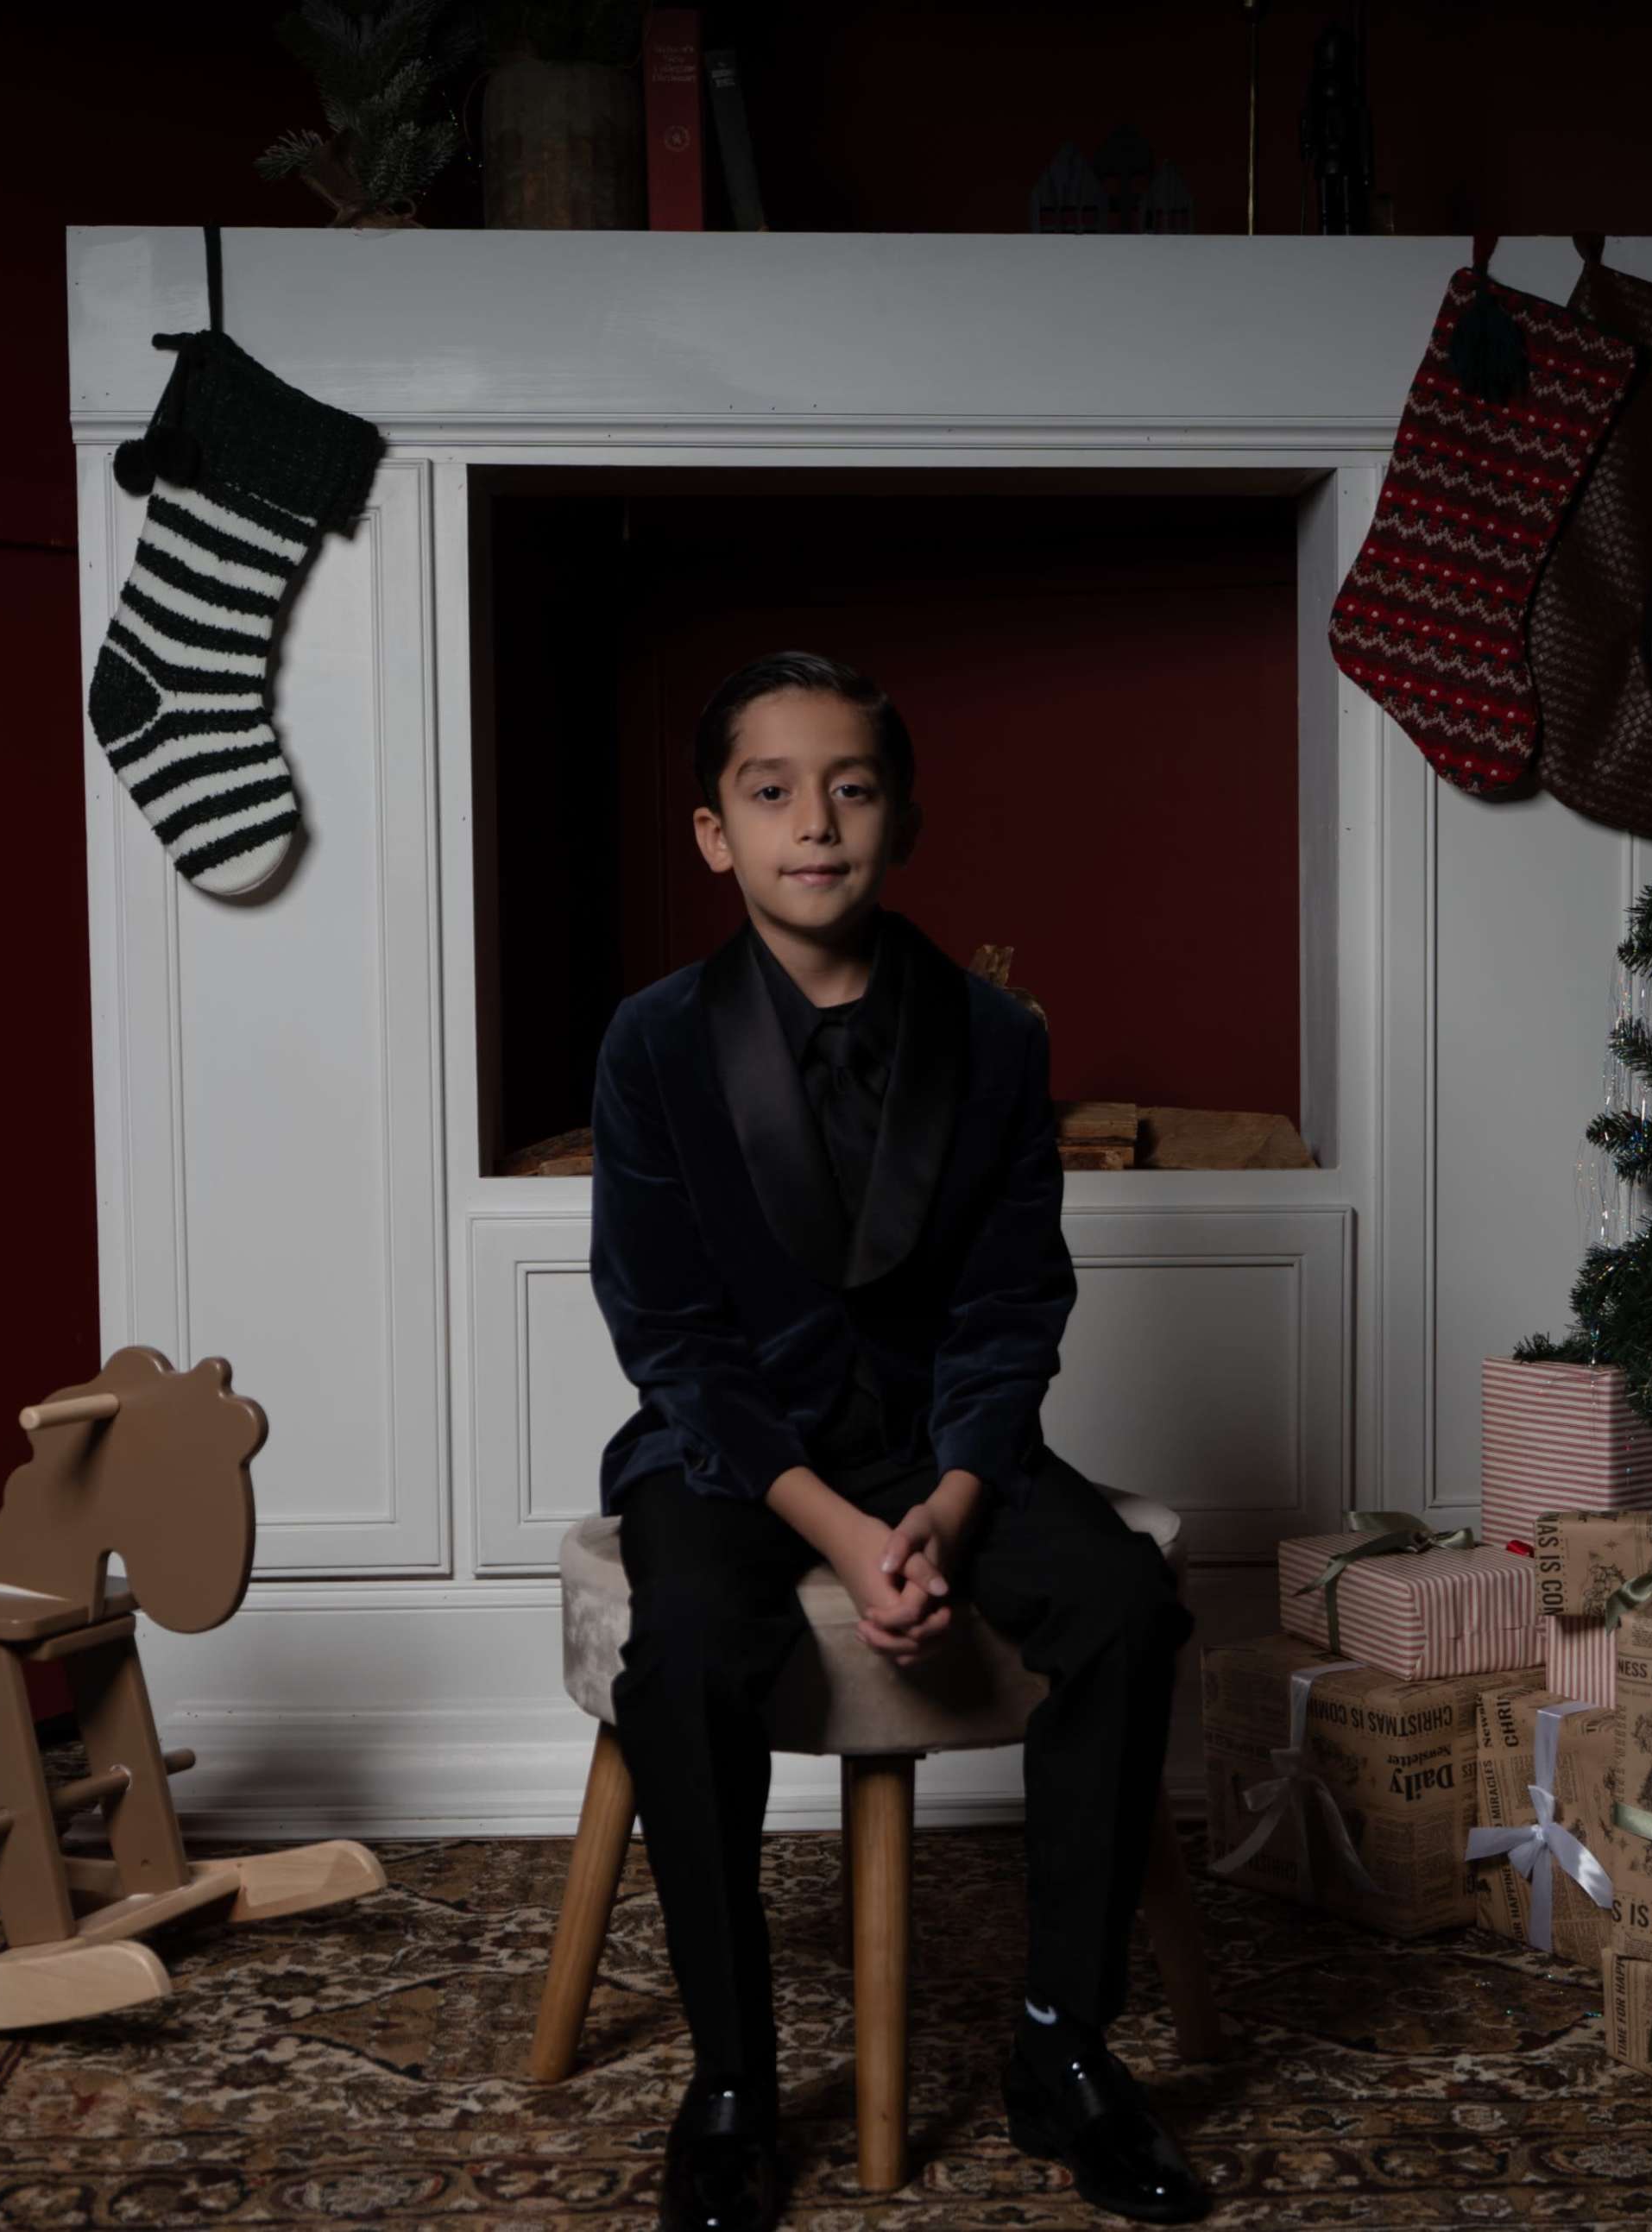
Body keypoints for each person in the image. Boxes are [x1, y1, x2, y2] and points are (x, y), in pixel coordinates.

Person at [588, 652, 1213, 2230]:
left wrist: (940, 1501)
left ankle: (1062, 2048)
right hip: (732, 1448)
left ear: (905, 818)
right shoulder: (653, 1044)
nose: (816, 821)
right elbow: (669, 1334)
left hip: (937, 1440)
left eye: (852, 786)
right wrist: (839, 1531)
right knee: (690, 1653)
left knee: (1131, 1611)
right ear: (714, 835)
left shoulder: (995, 1035)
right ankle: (731, 2079)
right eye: (771, 789)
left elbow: (1012, 1303)